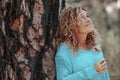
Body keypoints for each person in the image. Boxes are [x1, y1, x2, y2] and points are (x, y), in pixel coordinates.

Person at [55, 6, 110, 80]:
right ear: (71, 24)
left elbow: (105, 76)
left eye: (87, 16)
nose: (88, 20)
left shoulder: (95, 48)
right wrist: (92, 71)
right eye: (81, 17)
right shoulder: (64, 53)